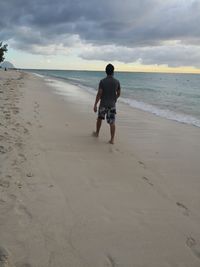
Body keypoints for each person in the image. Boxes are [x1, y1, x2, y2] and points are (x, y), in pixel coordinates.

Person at [93, 64, 121, 144]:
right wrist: (115, 99)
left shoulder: (102, 81)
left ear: (106, 72)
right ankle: (112, 139)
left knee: (99, 118)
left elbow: (99, 93)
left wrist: (95, 104)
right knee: (112, 122)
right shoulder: (117, 82)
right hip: (112, 105)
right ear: (113, 71)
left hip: (103, 104)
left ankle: (97, 133)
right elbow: (118, 93)